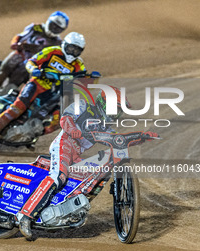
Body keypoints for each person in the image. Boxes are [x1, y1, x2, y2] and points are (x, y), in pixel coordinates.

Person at [15, 86, 159, 240]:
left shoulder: (105, 127)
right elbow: (65, 118)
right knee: (58, 176)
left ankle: (67, 209)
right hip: (64, 144)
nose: (115, 114)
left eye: (118, 112)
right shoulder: (83, 106)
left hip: (76, 153)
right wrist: (72, 129)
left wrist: (141, 137)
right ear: (103, 104)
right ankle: (25, 216)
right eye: (114, 109)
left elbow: (119, 139)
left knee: (95, 174)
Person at [0, 31, 87, 144]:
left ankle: (29, 135)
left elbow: (82, 77)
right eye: (71, 48)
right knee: (18, 107)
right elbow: (31, 61)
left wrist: (87, 79)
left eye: (76, 50)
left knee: (58, 120)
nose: (73, 53)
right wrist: (34, 70)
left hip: (53, 94)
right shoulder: (52, 51)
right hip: (36, 85)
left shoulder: (78, 64)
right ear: (65, 44)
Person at [0, 11, 69, 103]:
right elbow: (20, 36)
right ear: (48, 21)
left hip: (31, 67)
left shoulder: (58, 43)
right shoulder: (36, 28)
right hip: (19, 56)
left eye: (58, 28)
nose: (54, 29)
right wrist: (16, 44)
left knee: (18, 87)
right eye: (53, 25)